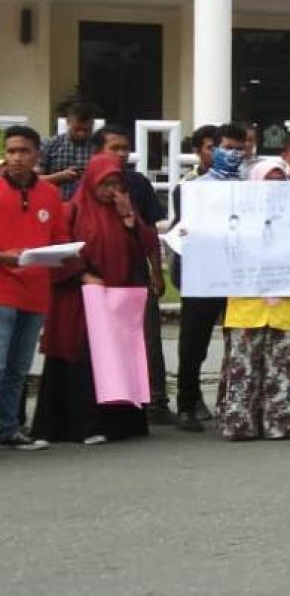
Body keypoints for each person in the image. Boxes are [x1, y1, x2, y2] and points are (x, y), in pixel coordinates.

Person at [31, 153, 159, 445]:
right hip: (79, 300)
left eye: (115, 183)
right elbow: (59, 249)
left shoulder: (122, 211)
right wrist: (83, 275)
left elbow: (146, 246)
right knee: (83, 361)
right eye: (104, 183)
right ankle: (80, 426)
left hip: (114, 300)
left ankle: (117, 425)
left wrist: (129, 218)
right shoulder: (72, 210)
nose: (109, 190)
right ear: (91, 182)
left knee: (114, 360)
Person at [217, 159, 290, 441]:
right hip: (246, 306)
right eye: (268, 180)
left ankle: (281, 424)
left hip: (283, 305)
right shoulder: (234, 216)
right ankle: (241, 425)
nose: (274, 186)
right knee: (244, 367)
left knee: (281, 367)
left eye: (280, 180)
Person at [92, 124, 172, 425]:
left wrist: (157, 270)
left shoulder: (137, 183)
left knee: (149, 338)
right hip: (99, 277)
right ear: (99, 151)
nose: (122, 154)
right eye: (115, 148)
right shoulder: (87, 185)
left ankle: (157, 401)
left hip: (137, 272)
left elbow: (150, 228)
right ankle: (112, 403)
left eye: (125, 148)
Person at [172, 122, 247, 432]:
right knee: (194, 343)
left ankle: (235, 402)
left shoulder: (250, 188)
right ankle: (187, 403)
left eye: (239, 149)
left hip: (240, 276)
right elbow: (180, 232)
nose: (233, 154)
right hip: (202, 276)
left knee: (240, 343)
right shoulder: (190, 188)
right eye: (227, 148)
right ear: (212, 149)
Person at [0, 126, 68, 451]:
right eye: (11, 151)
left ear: (37, 155)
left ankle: (8, 428)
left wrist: (61, 255)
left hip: (35, 293)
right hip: (2, 290)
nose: (16, 158)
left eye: (23, 151)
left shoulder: (49, 194)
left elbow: (59, 240)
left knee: (18, 368)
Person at [40, 101, 97, 199]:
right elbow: (35, 180)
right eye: (77, 129)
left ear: (92, 124)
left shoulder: (98, 147)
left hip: (88, 205)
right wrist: (61, 176)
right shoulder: (50, 144)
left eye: (86, 130)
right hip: (56, 203)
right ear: (68, 122)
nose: (81, 134)